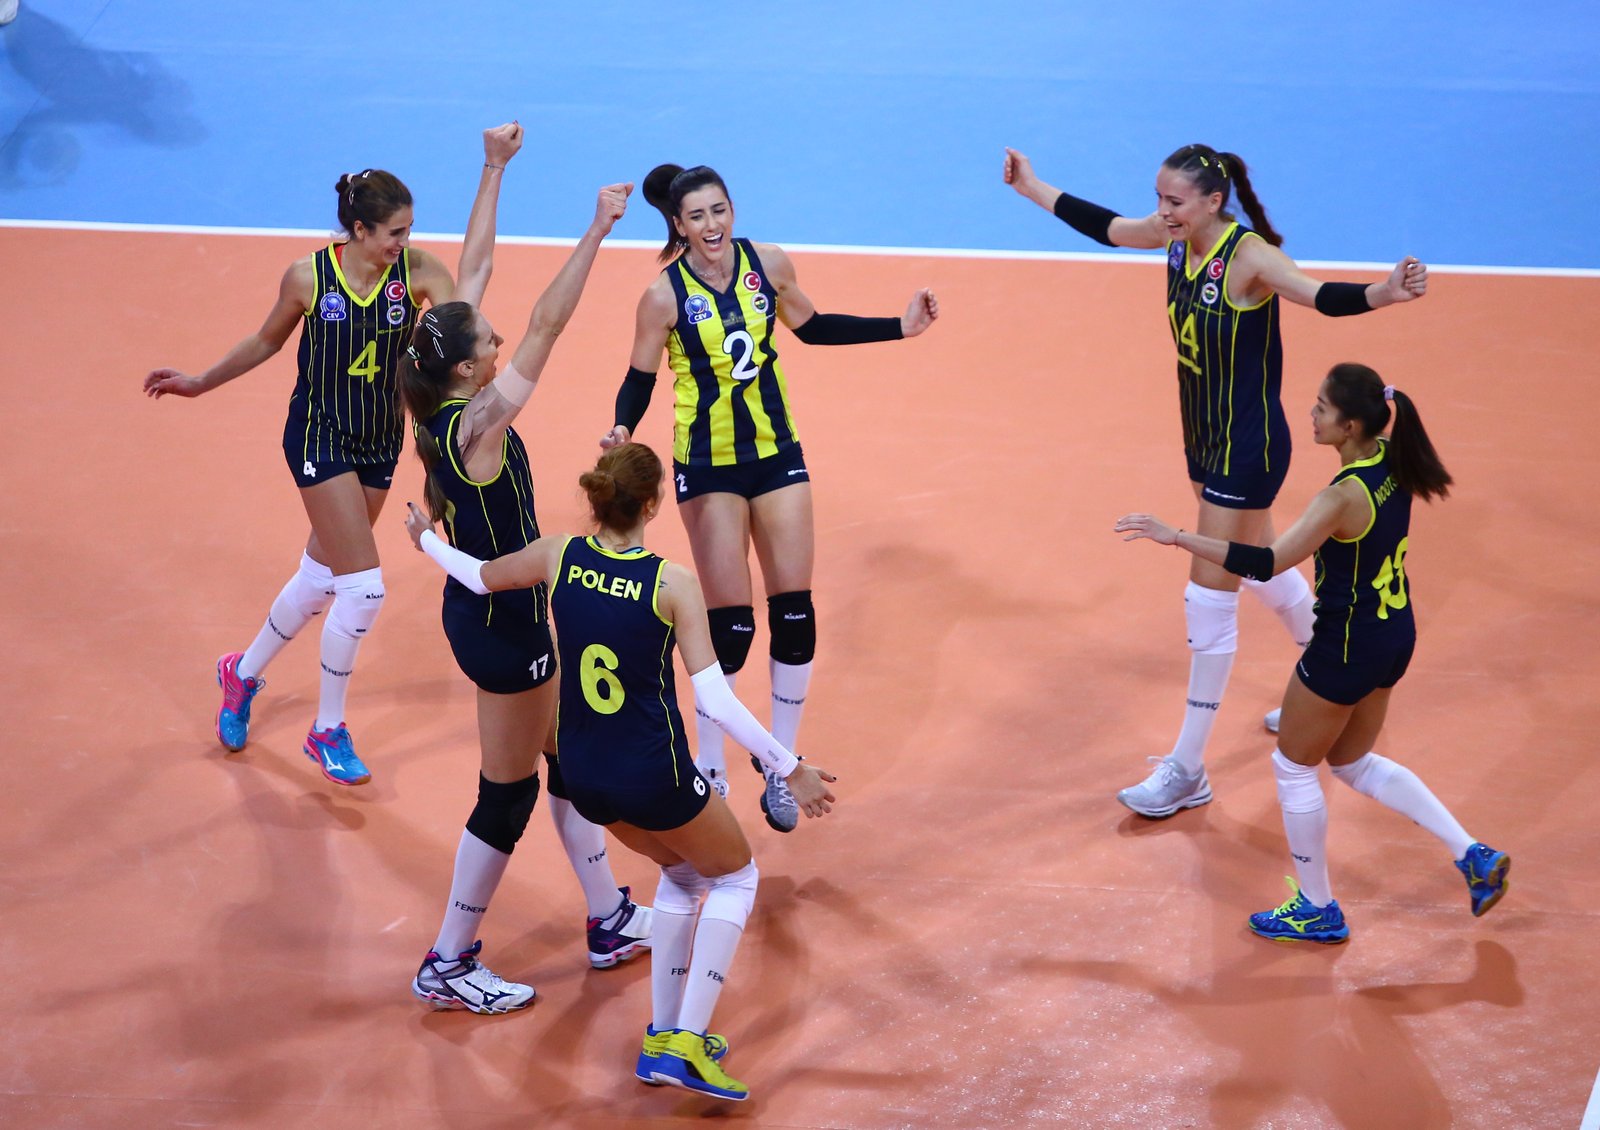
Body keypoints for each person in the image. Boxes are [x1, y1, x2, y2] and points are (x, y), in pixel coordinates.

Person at [1005, 143, 1430, 818]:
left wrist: (1384, 293)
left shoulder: (1249, 257)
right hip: (1204, 438)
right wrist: (1033, 188)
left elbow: (1317, 295)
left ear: (1213, 201)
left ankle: (1187, 768)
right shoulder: (1175, 237)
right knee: (1263, 565)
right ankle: (1327, 685)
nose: (1162, 211)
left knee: (1209, 597)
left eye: (1174, 201)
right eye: (1159, 198)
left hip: (1247, 447)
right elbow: (1110, 228)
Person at [405, 441, 838, 1100]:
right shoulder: (670, 584)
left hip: (584, 776)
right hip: (652, 774)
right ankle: (688, 1042)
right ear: (654, 505)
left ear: (598, 498)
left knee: (682, 872)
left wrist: (426, 541)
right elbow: (716, 700)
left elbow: (480, 576)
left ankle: (663, 1038)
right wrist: (788, 765)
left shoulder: (559, 555)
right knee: (736, 877)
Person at [1115, 362, 1509, 941]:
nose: (1311, 414)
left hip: (1345, 649)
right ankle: (1471, 853)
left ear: (1350, 426)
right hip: (1394, 636)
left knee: (1293, 767)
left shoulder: (1341, 497)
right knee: (1352, 762)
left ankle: (1317, 908)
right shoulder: (1392, 459)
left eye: (1322, 408)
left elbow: (1268, 562)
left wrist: (1175, 536)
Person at [391, 142, 652, 1011]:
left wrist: (493, 169)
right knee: (506, 796)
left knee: (566, 756)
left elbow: (474, 272)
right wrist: (596, 230)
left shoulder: (435, 399)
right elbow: (545, 324)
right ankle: (448, 961)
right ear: (469, 370)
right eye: (487, 342)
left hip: (496, 610)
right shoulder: (479, 426)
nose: (499, 339)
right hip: (503, 622)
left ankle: (609, 916)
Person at [598, 163, 934, 831]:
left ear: (732, 209)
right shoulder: (663, 296)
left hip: (777, 453)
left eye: (719, 210)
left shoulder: (768, 263)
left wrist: (900, 326)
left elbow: (813, 326)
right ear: (678, 225)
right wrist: (622, 428)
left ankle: (780, 761)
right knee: (731, 629)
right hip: (709, 465)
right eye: (697, 216)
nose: (712, 225)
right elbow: (639, 377)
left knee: (796, 614)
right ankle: (710, 765)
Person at [144, 141, 477, 784]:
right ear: (360, 229)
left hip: (379, 440)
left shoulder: (420, 273)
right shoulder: (308, 278)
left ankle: (241, 674)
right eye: (394, 232)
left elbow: (455, 332)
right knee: (364, 588)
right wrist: (200, 382)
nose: (404, 242)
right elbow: (266, 341)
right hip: (319, 437)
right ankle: (328, 730)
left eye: (409, 230)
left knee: (322, 576)